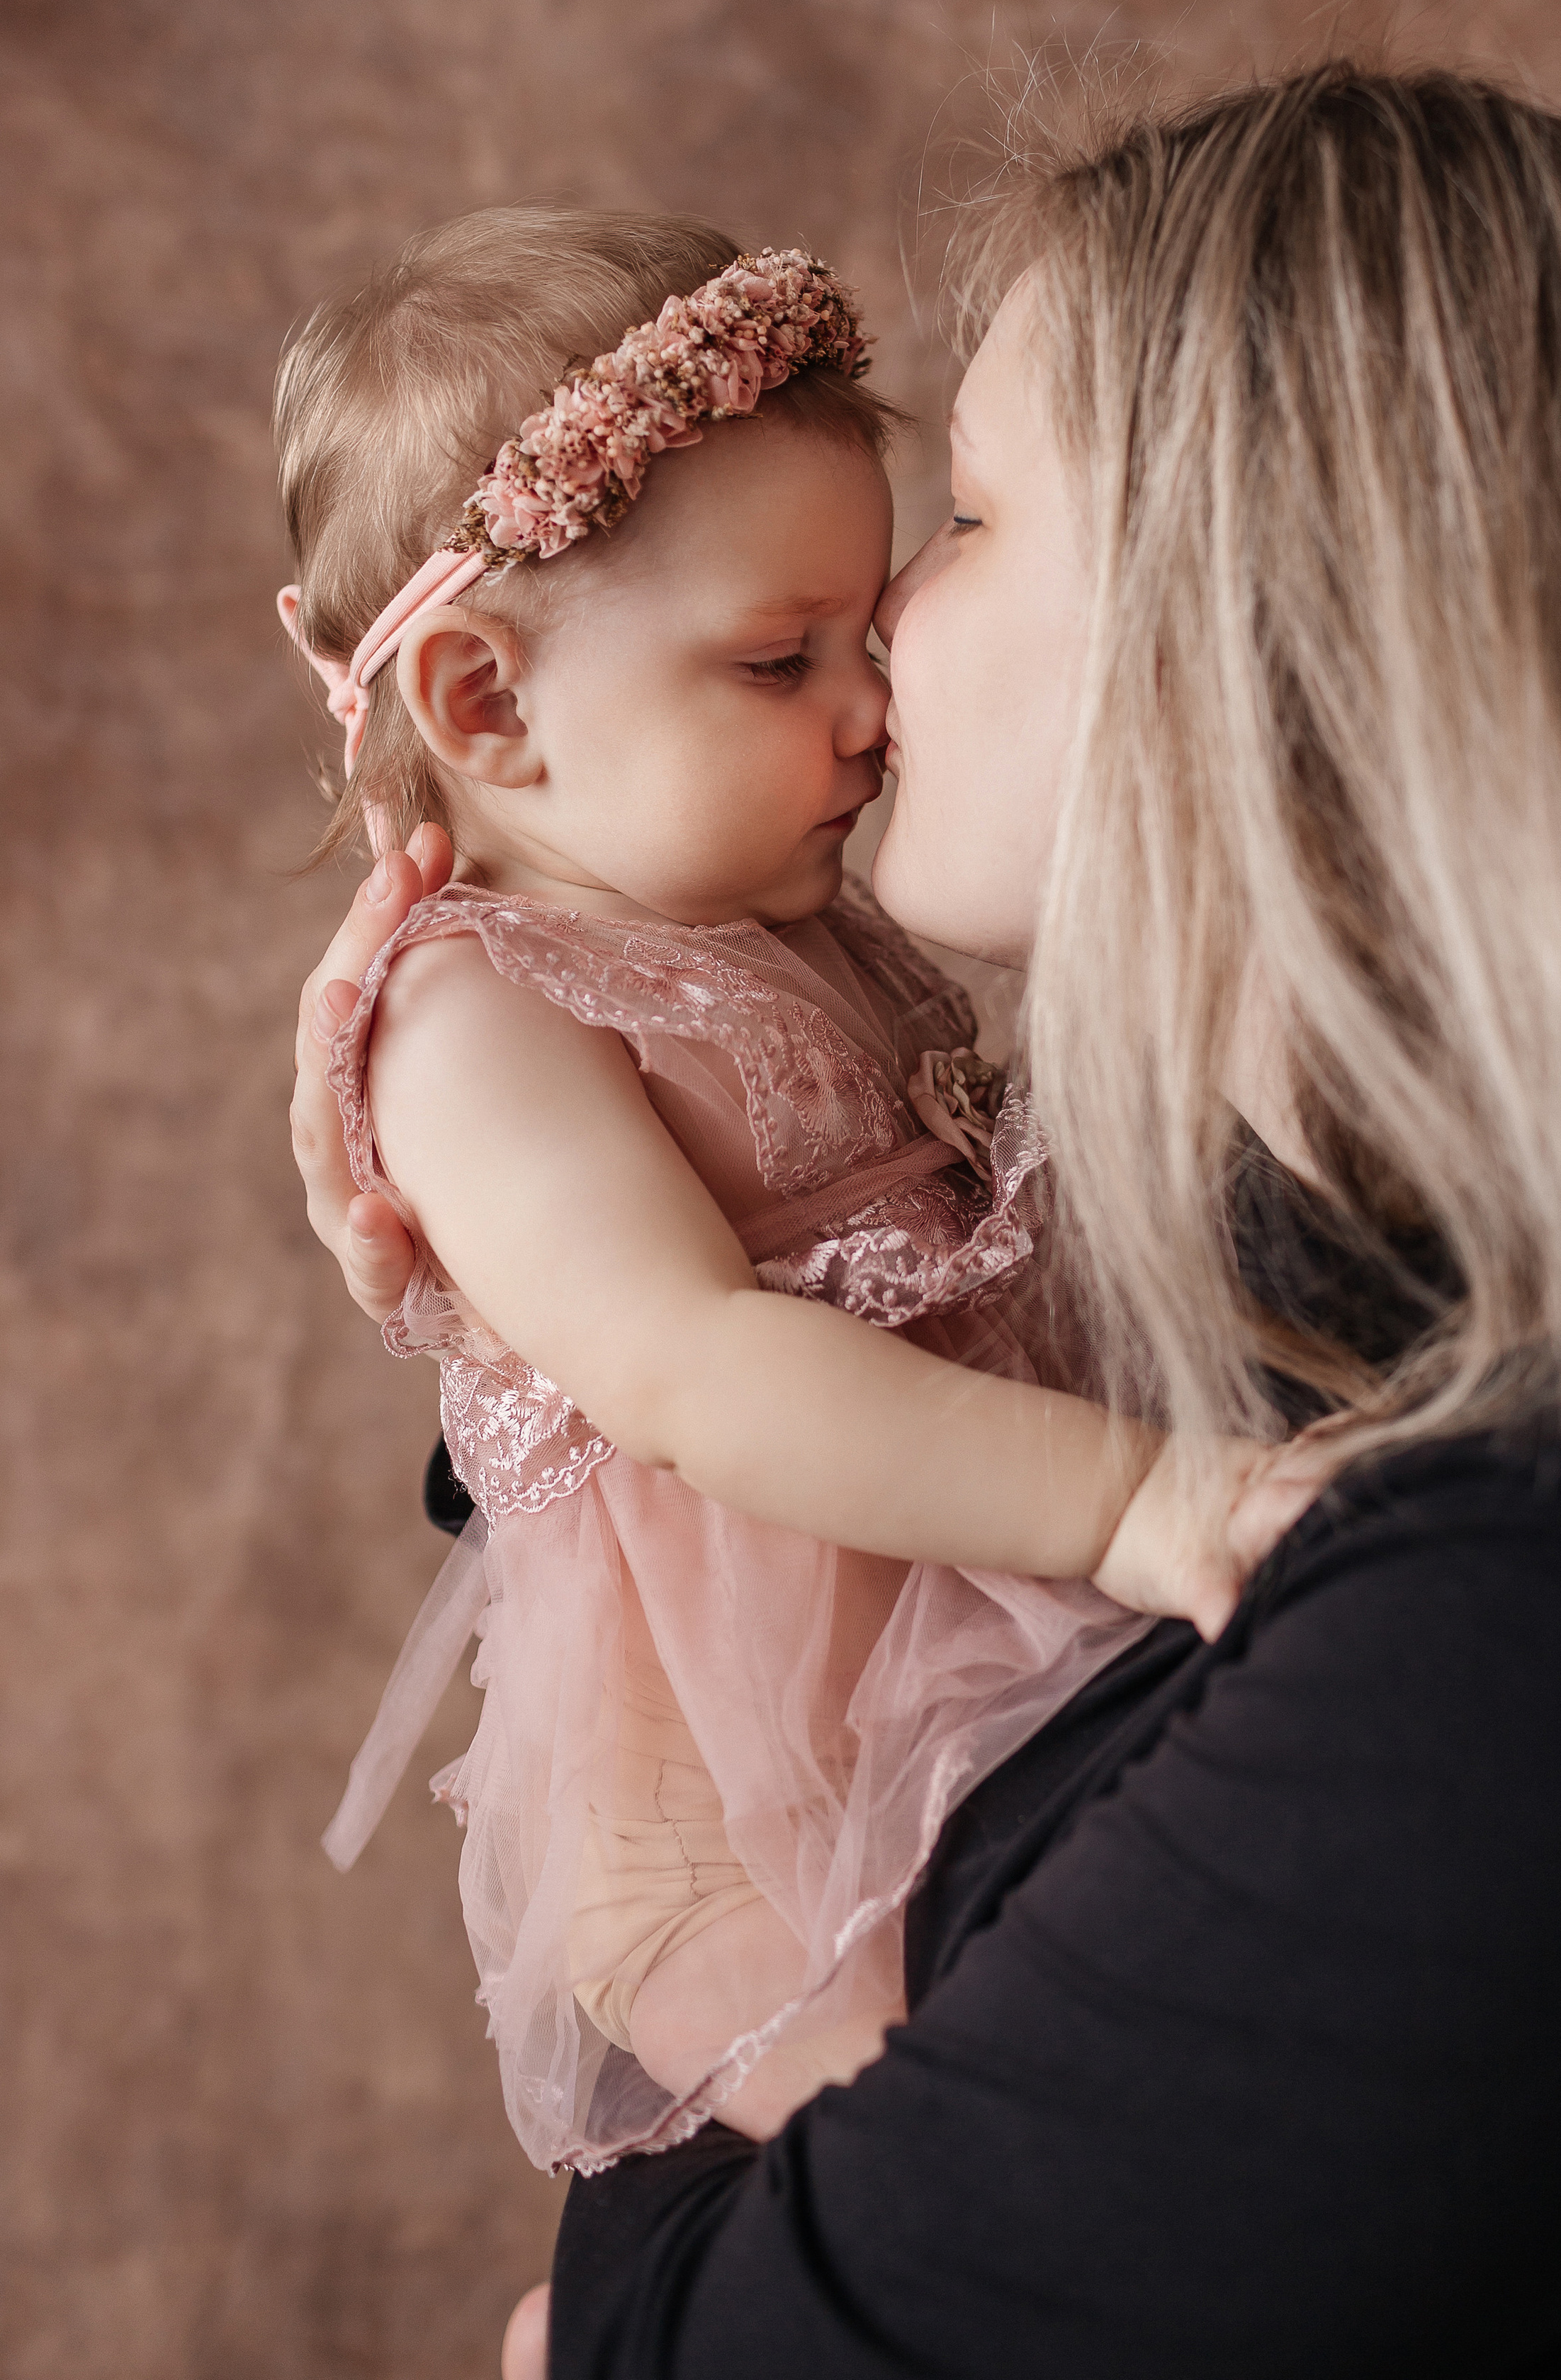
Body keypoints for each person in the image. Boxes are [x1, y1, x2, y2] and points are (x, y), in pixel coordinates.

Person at [291, 67, 1561, 2376]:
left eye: (972, 518)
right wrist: (521, 1288)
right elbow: (757, 1372)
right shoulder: (1352, 1297)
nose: (882, 633)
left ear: (1267, 632)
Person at [274, 215, 1296, 2173]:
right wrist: (1143, 1494)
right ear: (485, 710)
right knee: (983, 2155)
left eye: (862, 628)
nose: (868, 706)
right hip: (740, 1798)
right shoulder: (471, 1012)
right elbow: (685, 1367)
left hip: (981, 1638)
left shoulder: (775, 904)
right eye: (775, 660)